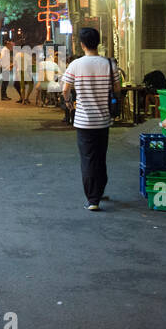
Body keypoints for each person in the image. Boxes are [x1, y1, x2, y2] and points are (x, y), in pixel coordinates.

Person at [60, 27, 122, 211]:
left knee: (88, 158)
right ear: (98, 42)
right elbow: (117, 89)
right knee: (100, 156)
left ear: (82, 44)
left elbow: (65, 89)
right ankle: (99, 190)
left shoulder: (76, 65)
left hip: (83, 121)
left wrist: (69, 103)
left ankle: (93, 199)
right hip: (103, 120)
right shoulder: (110, 65)